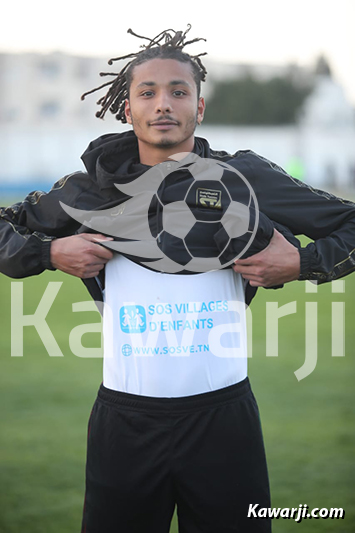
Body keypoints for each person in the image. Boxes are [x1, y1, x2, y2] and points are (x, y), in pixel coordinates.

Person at [1, 26, 355, 533]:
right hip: (123, 427)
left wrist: (304, 263)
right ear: (128, 109)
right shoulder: (87, 193)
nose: (163, 103)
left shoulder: (244, 180)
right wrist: (48, 251)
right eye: (147, 92)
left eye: (178, 91)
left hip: (224, 424)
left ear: (200, 107)